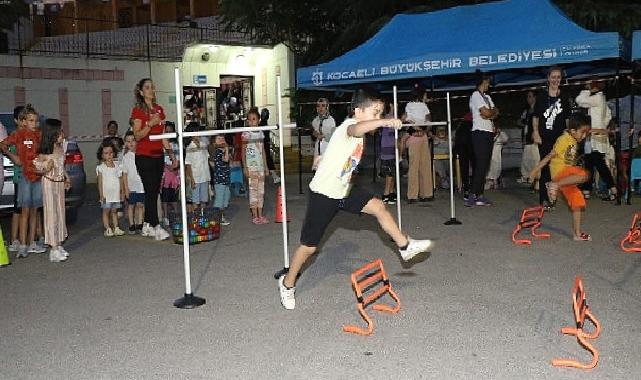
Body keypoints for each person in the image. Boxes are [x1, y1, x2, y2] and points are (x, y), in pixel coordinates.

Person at [277, 88, 434, 310]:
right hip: (324, 194)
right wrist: (385, 123)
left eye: (381, 114)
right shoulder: (351, 127)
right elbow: (356, 129)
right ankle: (287, 284)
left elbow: (340, 151)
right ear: (358, 111)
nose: (377, 118)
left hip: (343, 190)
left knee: (379, 206)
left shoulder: (353, 133)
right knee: (309, 248)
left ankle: (404, 246)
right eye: (374, 113)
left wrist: (324, 159)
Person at [529, 114, 592, 241]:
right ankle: (554, 185)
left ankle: (577, 234)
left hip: (566, 179)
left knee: (577, 204)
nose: (584, 136)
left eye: (586, 133)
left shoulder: (574, 139)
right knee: (584, 174)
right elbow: (550, 155)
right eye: (583, 133)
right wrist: (535, 170)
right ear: (573, 131)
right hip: (560, 172)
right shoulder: (564, 139)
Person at [0, 104, 47, 258]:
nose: (35, 123)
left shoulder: (39, 135)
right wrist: (13, 157)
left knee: (35, 209)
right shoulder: (18, 135)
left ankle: (32, 242)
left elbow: (45, 151)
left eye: (36, 121)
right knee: (24, 210)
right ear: (24, 121)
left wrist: (43, 160)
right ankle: (22, 244)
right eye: (32, 121)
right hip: (24, 177)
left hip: (37, 176)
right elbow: (3, 144)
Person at [131, 78, 175, 240]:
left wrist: (171, 154)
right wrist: (149, 123)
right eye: (147, 88)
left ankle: (147, 225)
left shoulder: (159, 110)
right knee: (150, 191)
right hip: (144, 156)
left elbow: (162, 136)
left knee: (154, 192)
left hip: (158, 156)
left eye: (152, 87)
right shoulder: (138, 111)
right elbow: (137, 135)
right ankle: (156, 226)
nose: (151, 90)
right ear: (141, 92)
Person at [531, 67, 571, 209]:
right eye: (553, 77)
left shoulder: (564, 97)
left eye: (558, 77)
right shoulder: (542, 96)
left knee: (557, 168)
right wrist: (536, 132)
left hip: (559, 139)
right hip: (545, 137)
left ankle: (553, 196)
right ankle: (544, 199)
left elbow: (567, 119)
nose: (555, 80)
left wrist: (568, 136)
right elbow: (535, 117)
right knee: (546, 167)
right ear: (548, 78)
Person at [34, 118, 70, 262]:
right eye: (60, 131)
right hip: (49, 183)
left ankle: (59, 243)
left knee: (60, 213)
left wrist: (66, 177)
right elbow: (38, 168)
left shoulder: (61, 148)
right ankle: (53, 248)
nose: (62, 133)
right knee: (51, 214)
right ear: (52, 133)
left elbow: (61, 166)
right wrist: (45, 168)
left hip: (59, 184)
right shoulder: (45, 151)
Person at [575, 78, 617, 201]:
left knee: (599, 164)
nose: (588, 86)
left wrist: (586, 90)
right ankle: (587, 190)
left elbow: (579, 100)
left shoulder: (597, 98)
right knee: (590, 163)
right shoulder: (602, 99)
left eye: (589, 84)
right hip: (596, 136)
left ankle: (613, 188)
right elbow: (608, 116)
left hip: (595, 136)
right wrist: (601, 125)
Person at [467, 74, 499, 207]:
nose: (488, 84)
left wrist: (489, 113)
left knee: (485, 164)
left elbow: (496, 112)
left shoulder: (488, 97)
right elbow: (486, 113)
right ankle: (473, 194)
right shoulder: (475, 95)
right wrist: (489, 113)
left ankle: (479, 195)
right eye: (487, 82)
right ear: (482, 82)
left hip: (489, 132)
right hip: (479, 132)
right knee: (480, 163)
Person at [402, 87, 433, 203]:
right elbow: (429, 120)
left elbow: (406, 119)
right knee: (424, 165)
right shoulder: (423, 106)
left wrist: (416, 127)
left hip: (414, 136)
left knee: (414, 166)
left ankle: (413, 196)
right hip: (422, 137)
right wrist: (424, 130)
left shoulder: (409, 105)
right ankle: (426, 194)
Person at [242, 107, 270, 224]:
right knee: (253, 191)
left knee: (261, 191)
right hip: (251, 167)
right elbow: (243, 151)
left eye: (254, 119)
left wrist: (266, 166)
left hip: (260, 167)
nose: (251, 122)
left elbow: (262, 150)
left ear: (258, 120)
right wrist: (245, 167)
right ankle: (255, 215)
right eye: (249, 120)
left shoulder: (260, 133)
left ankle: (260, 213)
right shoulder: (246, 134)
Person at [3, 106, 24, 253]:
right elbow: (5, 147)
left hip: (32, 176)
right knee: (18, 209)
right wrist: (13, 156)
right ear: (16, 120)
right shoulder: (14, 135)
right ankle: (14, 239)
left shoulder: (33, 135)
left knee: (33, 208)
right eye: (22, 119)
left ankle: (32, 238)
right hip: (19, 175)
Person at [97, 141, 125, 237]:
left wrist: (122, 191)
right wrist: (101, 195)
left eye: (111, 152)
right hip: (106, 194)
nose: (109, 155)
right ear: (102, 155)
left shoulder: (117, 167)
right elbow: (100, 182)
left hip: (115, 194)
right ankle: (107, 228)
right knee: (106, 211)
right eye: (106, 153)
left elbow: (120, 179)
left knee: (114, 211)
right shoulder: (101, 168)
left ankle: (116, 227)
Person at [122, 131, 145, 234]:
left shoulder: (142, 154)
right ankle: (132, 224)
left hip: (141, 185)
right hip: (132, 186)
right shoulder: (126, 157)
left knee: (140, 205)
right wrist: (126, 188)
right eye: (128, 141)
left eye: (133, 140)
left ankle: (140, 224)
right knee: (131, 205)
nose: (131, 143)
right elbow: (125, 174)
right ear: (125, 143)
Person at [185, 123, 211, 212]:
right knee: (195, 200)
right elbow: (188, 164)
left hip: (205, 176)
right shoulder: (189, 147)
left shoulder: (203, 145)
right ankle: (196, 217)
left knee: (204, 199)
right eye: (195, 132)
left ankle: (203, 215)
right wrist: (191, 179)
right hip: (196, 177)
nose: (197, 134)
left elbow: (207, 159)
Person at [518, 91, 540, 186]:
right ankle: (528, 177)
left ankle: (537, 180)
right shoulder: (526, 110)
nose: (528, 98)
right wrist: (523, 123)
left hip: (535, 139)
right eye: (527, 96)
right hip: (527, 138)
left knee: (536, 159)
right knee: (527, 159)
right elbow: (520, 121)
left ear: (535, 98)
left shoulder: (538, 109)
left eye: (530, 96)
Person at [209, 134, 232, 225]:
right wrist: (226, 149)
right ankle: (218, 218)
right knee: (220, 199)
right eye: (219, 138)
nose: (222, 139)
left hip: (225, 179)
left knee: (226, 198)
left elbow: (229, 159)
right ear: (214, 142)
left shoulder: (222, 150)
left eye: (223, 138)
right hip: (219, 180)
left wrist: (226, 150)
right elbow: (226, 160)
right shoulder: (217, 151)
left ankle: (220, 216)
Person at [311, 98, 337, 171]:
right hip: (318, 145)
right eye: (318, 106)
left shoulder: (331, 120)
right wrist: (316, 134)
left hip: (327, 146)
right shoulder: (315, 120)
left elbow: (333, 134)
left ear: (327, 107)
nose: (320, 108)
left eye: (323, 105)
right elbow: (313, 131)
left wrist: (323, 136)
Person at [379, 102, 398, 204]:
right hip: (389, 147)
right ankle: (386, 194)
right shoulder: (390, 117)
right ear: (391, 105)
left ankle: (390, 192)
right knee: (390, 172)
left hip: (387, 147)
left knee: (392, 172)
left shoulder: (387, 117)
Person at [454, 113, 474, 200]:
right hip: (471, 142)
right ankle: (473, 189)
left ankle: (466, 189)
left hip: (461, 144)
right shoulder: (476, 118)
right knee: (475, 166)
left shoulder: (461, 123)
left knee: (464, 167)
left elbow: (457, 137)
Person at [260, 108, 281, 184]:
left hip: (264, 144)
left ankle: (274, 176)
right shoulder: (263, 123)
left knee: (267, 160)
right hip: (264, 144)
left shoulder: (262, 122)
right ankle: (274, 177)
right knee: (268, 160)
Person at [432, 126, 451, 190]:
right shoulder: (433, 140)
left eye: (443, 130)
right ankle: (444, 178)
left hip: (449, 162)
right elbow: (433, 151)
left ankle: (446, 178)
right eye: (439, 130)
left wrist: (438, 145)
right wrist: (443, 145)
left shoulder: (450, 138)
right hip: (438, 161)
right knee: (437, 160)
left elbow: (450, 149)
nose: (441, 132)